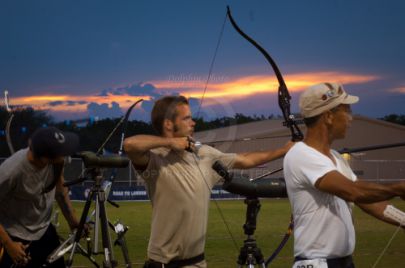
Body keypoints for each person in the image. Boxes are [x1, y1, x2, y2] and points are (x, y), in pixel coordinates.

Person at [123, 95, 293, 268]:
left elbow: (246, 160)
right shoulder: (155, 158)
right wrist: (171, 142)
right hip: (163, 263)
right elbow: (129, 145)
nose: (193, 122)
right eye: (187, 118)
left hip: (197, 262)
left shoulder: (205, 154)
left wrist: (284, 150)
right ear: (168, 124)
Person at [283, 82, 405, 268]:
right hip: (318, 264)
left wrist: (403, 220)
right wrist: (396, 188)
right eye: (347, 111)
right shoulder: (301, 155)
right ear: (329, 116)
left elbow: (367, 201)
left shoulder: (336, 158)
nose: (351, 118)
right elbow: (353, 192)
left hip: (342, 262)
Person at [0, 127, 82, 268]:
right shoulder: (11, 171)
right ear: (45, 158)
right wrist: (9, 245)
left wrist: (73, 221)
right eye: (61, 151)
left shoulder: (56, 163)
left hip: (44, 230)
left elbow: (60, 190)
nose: (66, 154)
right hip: (13, 235)